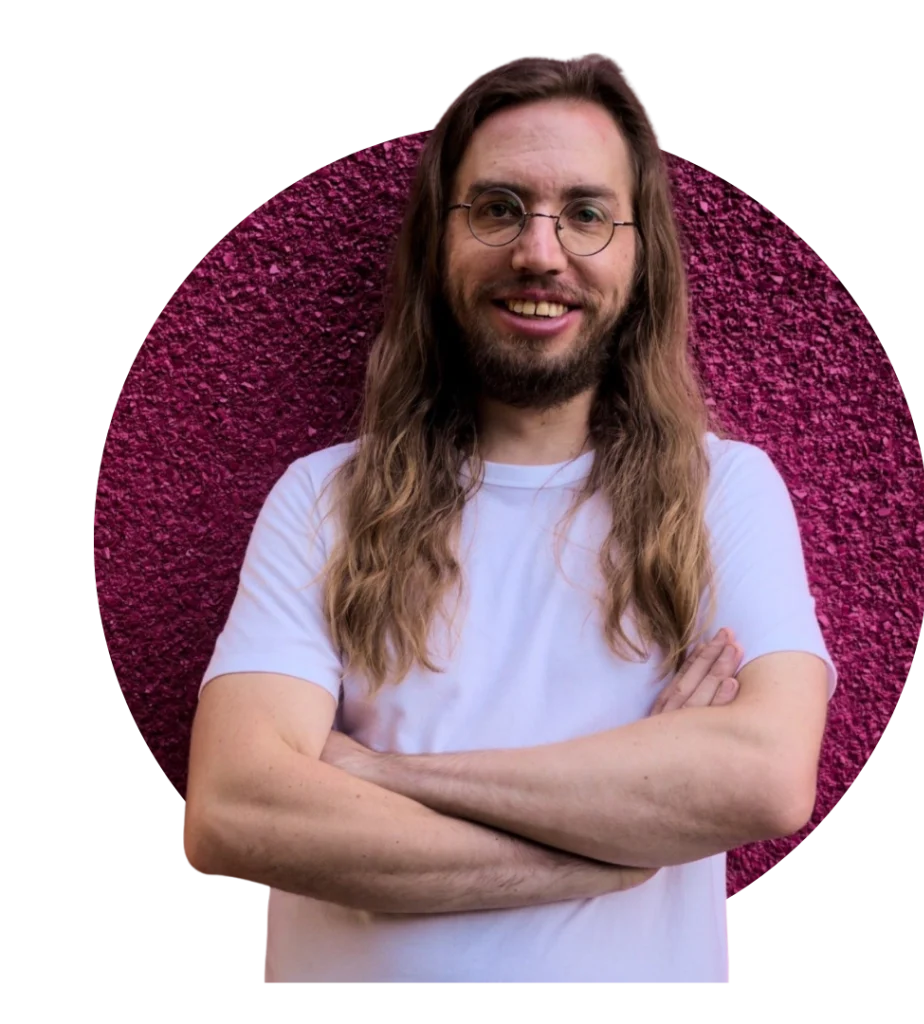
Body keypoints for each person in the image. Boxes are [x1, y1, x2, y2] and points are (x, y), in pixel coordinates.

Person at [183, 53, 837, 985]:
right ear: (437, 244)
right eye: (496, 208)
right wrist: (616, 846)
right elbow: (236, 812)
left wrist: (374, 774)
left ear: (638, 251)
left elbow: (763, 778)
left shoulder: (721, 490)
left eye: (585, 213)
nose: (540, 252)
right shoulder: (323, 498)